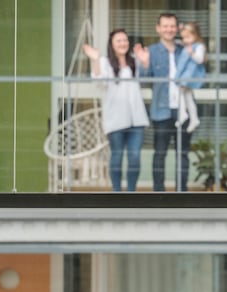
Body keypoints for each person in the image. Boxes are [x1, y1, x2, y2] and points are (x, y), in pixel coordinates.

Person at [82, 29, 149, 192]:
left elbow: (146, 80)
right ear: (112, 44)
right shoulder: (105, 62)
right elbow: (99, 83)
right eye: (119, 40)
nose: (123, 43)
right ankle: (117, 192)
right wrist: (96, 60)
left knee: (134, 158)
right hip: (116, 119)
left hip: (137, 119)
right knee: (117, 157)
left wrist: (145, 62)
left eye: (125, 40)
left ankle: (131, 192)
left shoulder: (134, 61)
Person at [135, 12, 192, 191]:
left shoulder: (186, 50)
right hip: (161, 110)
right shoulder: (150, 52)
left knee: (182, 155)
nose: (169, 29)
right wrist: (144, 65)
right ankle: (159, 193)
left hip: (184, 110)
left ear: (177, 28)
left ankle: (181, 192)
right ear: (158, 28)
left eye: (172, 26)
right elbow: (143, 82)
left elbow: (199, 74)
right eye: (165, 26)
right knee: (160, 153)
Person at [175, 21, 208, 133]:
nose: (185, 40)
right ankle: (194, 118)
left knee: (180, 90)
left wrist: (191, 53)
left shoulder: (199, 47)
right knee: (188, 97)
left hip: (191, 74)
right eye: (184, 38)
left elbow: (199, 59)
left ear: (195, 35)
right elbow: (178, 42)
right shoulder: (188, 45)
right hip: (186, 74)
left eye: (188, 37)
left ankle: (183, 112)